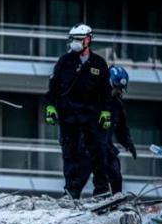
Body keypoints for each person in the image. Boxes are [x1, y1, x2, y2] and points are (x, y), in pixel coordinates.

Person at [44, 23, 112, 199]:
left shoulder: (99, 63)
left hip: (91, 117)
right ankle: (71, 190)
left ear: (89, 40)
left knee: (98, 151)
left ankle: (102, 189)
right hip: (68, 116)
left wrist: (106, 112)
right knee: (70, 153)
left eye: (80, 39)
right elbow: (53, 87)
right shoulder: (64, 61)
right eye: (74, 39)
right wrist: (50, 107)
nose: (76, 43)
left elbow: (105, 91)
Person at [76, 65, 137, 194]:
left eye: (120, 90)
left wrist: (128, 143)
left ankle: (116, 198)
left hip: (105, 145)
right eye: (116, 88)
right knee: (81, 176)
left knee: (115, 174)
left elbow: (121, 128)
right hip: (87, 144)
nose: (118, 92)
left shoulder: (117, 105)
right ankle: (72, 198)